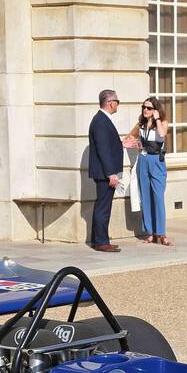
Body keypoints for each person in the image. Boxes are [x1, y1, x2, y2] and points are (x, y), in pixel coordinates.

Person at [129, 97, 171, 246]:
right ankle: (149, 232)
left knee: (158, 196)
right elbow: (128, 138)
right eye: (143, 108)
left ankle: (161, 233)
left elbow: (161, 135)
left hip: (157, 161)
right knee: (145, 196)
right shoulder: (140, 124)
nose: (145, 110)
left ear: (155, 110)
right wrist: (135, 144)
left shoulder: (163, 123)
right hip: (143, 160)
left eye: (148, 108)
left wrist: (157, 119)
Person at [87, 89, 124, 252]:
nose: (118, 104)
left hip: (104, 172)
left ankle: (99, 239)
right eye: (117, 101)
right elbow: (103, 149)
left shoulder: (102, 119)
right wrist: (111, 173)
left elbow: (109, 145)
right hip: (104, 173)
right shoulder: (101, 121)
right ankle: (101, 242)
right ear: (110, 103)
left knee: (102, 206)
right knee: (103, 208)